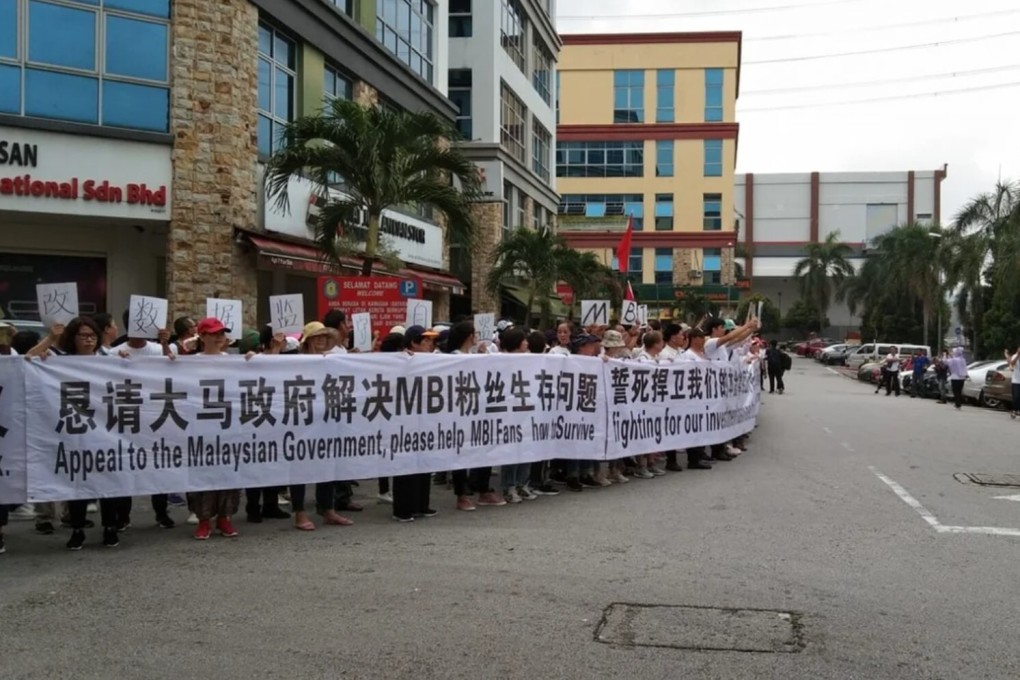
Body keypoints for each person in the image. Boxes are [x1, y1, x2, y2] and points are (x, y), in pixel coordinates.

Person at [25, 316, 129, 549]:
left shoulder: (108, 359)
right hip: (74, 431)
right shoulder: (60, 360)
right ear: (72, 338)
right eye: (83, 335)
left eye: (92, 335)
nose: (88, 340)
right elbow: (29, 358)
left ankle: (110, 527)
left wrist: (123, 360)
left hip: (105, 431)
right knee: (78, 483)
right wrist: (50, 339)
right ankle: (77, 529)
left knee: (108, 482)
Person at [188, 317, 242, 540]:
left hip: (228, 425)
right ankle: (204, 520)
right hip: (201, 426)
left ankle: (224, 517)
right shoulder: (189, 363)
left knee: (228, 471)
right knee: (202, 472)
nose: (219, 337)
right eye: (213, 333)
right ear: (202, 336)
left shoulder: (234, 361)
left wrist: (252, 360)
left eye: (221, 333)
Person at [391, 325, 440, 521]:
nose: (429, 344)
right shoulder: (399, 360)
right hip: (404, 418)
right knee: (405, 462)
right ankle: (402, 508)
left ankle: (421, 504)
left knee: (424, 460)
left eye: (430, 340)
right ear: (413, 342)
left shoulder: (430, 360)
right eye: (425, 340)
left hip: (424, 417)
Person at [1005, 346, 1020, 419]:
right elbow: (1012, 363)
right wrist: (1018, 356)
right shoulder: (1015, 356)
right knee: (1016, 397)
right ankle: (1014, 410)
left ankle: (1017, 410)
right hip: (1016, 381)